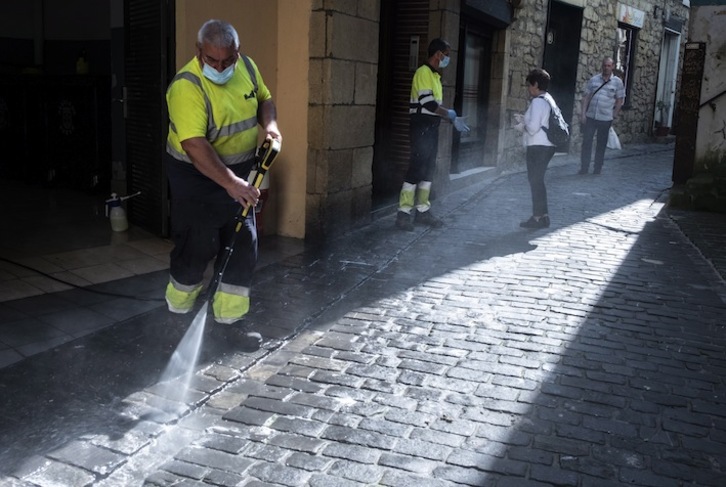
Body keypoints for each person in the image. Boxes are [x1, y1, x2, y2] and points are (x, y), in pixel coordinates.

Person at [164, 19, 281, 326]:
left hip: (239, 174)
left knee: (243, 245)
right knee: (197, 245)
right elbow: (195, 145)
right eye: (211, 60)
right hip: (196, 178)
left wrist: (270, 127)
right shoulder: (186, 87)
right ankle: (176, 317)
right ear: (198, 52)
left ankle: (231, 322)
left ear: (237, 52)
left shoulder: (248, 68)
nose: (219, 67)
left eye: (227, 60)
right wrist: (232, 184)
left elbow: (264, 99)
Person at [396, 38, 469, 231]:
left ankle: (422, 210)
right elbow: (428, 103)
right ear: (438, 54)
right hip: (420, 126)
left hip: (430, 126)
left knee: (428, 169)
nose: (447, 58)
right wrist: (449, 114)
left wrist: (450, 118)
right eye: (446, 54)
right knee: (416, 167)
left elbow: (433, 108)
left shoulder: (435, 76)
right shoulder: (423, 73)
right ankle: (403, 213)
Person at [513, 68, 558, 229]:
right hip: (547, 146)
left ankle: (537, 217)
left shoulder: (538, 101)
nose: (528, 88)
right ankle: (543, 216)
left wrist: (521, 125)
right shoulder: (548, 99)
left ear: (536, 84)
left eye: (529, 85)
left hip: (538, 146)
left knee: (535, 182)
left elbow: (532, 128)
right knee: (538, 181)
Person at [579, 57, 625, 174]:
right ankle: (584, 167)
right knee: (587, 142)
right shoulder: (594, 80)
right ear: (602, 66)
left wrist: (614, 114)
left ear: (613, 66)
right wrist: (583, 114)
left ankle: (597, 168)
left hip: (605, 118)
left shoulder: (617, 82)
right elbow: (586, 97)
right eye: (604, 65)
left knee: (601, 144)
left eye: (608, 66)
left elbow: (620, 99)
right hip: (591, 116)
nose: (606, 68)